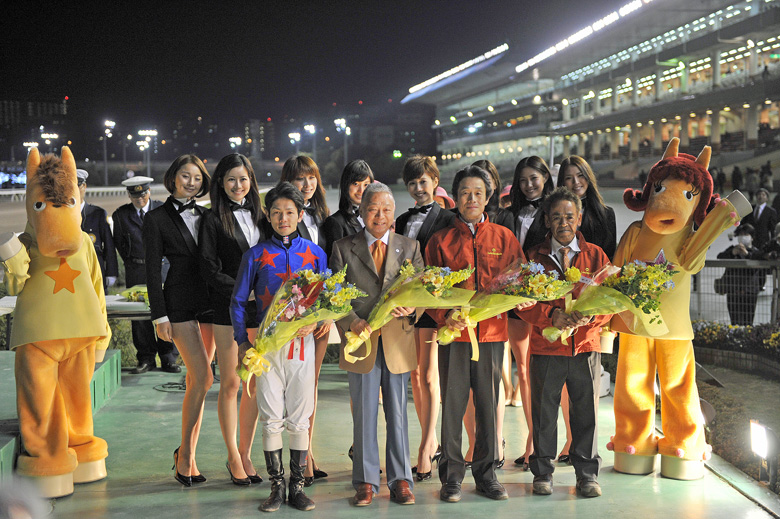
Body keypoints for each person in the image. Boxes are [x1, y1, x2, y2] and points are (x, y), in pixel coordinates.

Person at [426, 165, 532, 503]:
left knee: (488, 407)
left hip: (491, 337)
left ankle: (487, 475)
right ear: (455, 198)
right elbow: (428, 290)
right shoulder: (440, 241)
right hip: (454, 338)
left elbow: (519, 280)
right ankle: (451, 477)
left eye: (478, 193)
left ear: (488, 198)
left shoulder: (504, 238)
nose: (471, 199)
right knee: (452, 408)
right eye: (465, 193)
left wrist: (522, 297)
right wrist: (445, 316)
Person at [232, 182, 325, 512]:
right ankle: (276, 487)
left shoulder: (315, 254)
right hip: (266, 348)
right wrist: (242, 341)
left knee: (300, 416)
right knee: (271, 417)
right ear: (268, 216)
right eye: (276, 213)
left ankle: (297, 487)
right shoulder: (254, 255)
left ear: (300, 214)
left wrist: (319, 319)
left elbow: (327, 297)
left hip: (302, 346)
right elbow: (238, 301)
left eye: (289, 212)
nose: (283, 218)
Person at [330, 182, 423, 506]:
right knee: (364, 415)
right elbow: (334, 295)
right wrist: (351, 321)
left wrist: (412, 308)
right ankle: (366, 481)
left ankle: (401, 480)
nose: (379, 216)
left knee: (398, 414)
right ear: (361, 212)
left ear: (393, 212)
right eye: (372, 209)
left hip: (397, 343)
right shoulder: (343, 248)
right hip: (361, 342)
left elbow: (422, 291)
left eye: (385, 209)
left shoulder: (410, 247)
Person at [517, 187, 609, 498]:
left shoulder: (595, 256)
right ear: (546, 220)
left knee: (585, 413)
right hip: (546, 349)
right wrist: (550, 316)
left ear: (579, 218)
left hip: (585, 347)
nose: (563, 223)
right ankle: (542, 472)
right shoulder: (533, 259)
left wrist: (590, 319)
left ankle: (587, 475)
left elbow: (611, 302)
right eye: (556, 217)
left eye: (569, 216)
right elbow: (522, 304)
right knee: (544, 413)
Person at [143, 155, 213, 487]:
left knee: (196, 383)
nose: (191, 183)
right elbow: (151, 271)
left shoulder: (209, 215)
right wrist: (160, 316)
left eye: (197, 178)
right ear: (173, 178)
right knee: (203, 377)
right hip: (179, 304)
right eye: (185, 176)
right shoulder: (156, 218)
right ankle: (184, 455)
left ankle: (188, 456)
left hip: (211, 304)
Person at [199, 153, 266, 486]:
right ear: (221, 184)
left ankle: (246, 451)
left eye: (243, 179)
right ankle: (232, 456)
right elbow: (209, 268)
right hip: (227, 309)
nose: (238, 185)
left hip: (260, 311)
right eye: (231, 179)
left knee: (253, 382)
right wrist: (243, 290)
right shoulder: (212, 219)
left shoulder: (263, 216)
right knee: (231, 382)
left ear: (251, 180)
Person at [395, 155, 455, 481]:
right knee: (416, 376)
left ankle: (426, 445)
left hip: (432, 305)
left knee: (430, 376)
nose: (419, 188)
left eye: (423, 181)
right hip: (405, 307)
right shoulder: (402, 220)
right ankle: (428, 438)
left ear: (435, 181)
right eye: (412, 183)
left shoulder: (448, 219)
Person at [279, 155, 331, 485]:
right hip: (291, 315)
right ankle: (299, 459)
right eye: (300, 178)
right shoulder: (282, 218)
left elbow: (329, 269)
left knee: (311, 385)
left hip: (319, 315)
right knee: (290, 388)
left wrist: (327, 313)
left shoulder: (324, 217)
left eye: (311, 177)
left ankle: (306, 452)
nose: (307, 184)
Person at [505, 156, 555, 468]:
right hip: (513, 301)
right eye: (522, 180)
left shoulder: (553, 212)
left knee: (540, 372)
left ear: (545, 178)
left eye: (534, 178)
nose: (528, 185)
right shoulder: (508, 214)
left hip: (542, 301)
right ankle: (531, 439)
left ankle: (538, 441)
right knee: (522, 369)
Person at [112, 176, 178, 374]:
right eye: (135, 196)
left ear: (149, 192)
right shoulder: (121, 215)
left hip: (163, 269)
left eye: (143, 194)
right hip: (137, 270)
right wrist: (134, 262)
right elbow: (120, 244)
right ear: (129, 196)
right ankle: (146, 358)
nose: (139, 199)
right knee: (140, 317)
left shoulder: (163, 209)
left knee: (167, 311)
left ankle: (168, 358)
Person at [321, 160, 373, 257]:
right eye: (356, 184)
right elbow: (335, 260)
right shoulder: (335, 222)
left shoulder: (377, 218)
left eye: (366, 185)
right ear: (346, 185)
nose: (361, 190)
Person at [76, 169, 118, 289]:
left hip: (95, 268)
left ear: (84, 186)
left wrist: (111, 272)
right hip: (71, 270)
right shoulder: (61, 215)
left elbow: (109, 245)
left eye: (78, 186)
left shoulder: (98, 213)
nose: (74, 190)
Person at [717, 223, 762, 326]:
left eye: (746, 234)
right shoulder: (733, 249)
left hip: (750, 292)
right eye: (741, 234)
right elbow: (720, 257)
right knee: (734, 321)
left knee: (748, 322)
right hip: (733, 291)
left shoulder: (755, 252)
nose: (743, 237)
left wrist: (747, 254)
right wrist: (732, 253)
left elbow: (758, 265)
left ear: (752, 237)